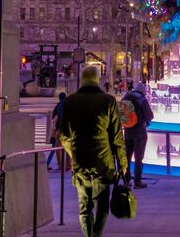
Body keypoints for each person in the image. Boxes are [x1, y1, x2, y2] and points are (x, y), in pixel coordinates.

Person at [56, 65, 128, 237]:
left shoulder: (70, 101)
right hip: (104, 162)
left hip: (81, 161)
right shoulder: (108, 101)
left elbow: (64, 135)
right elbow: (117, 137)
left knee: (84, 207)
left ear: (82, 79)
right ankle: (97, 235)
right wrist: (123, 163)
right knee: (102, 206)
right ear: (97, 79)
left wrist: (74, 153)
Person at [121, 82, 155, 189]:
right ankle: (137, 182)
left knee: (127, 157)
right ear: (143, 91)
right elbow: (150, 116)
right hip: (139, 131)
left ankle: (126, 180)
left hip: (127, 131)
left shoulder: (126, 96)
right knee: (138, 158)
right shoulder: (141, 99)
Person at [45, 91, 67, 169]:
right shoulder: (69, 105)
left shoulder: (58, 106)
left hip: (59, 129)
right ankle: (68, 165)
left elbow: (54, 118)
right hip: (68, 129)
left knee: (56, 148)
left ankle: (59, 165)